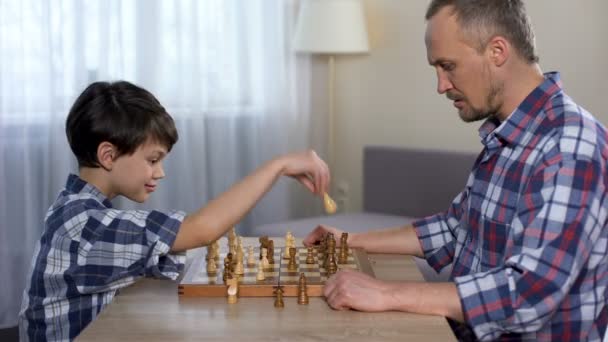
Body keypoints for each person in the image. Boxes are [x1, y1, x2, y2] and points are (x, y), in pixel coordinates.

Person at [304, 0, 608, 341]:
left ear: (497, 51)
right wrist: (349, 241)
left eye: (448, 66)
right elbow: (455, 228)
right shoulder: (507, 134)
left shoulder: (569, 146)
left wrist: (386, 293)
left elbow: (529, 293)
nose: (441, 85)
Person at [19, 80, 330, 341]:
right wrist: (278, 166)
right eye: (153, 160)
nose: (160, 172)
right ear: (108, 155)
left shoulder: (76, 206)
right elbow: (202, 229)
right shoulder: (85, 226)